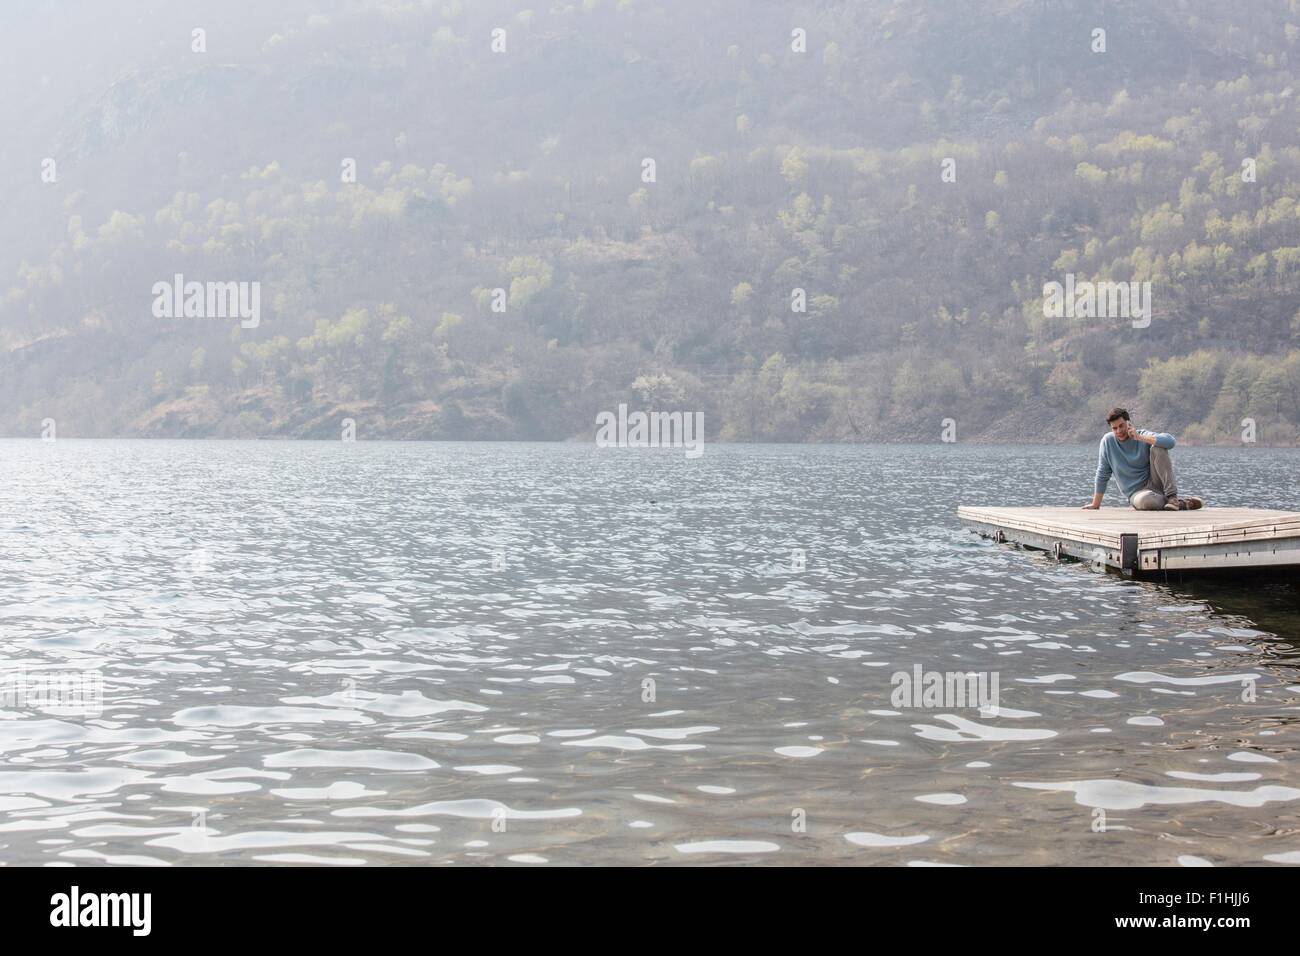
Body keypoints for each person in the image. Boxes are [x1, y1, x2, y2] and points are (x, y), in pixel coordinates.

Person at [1082, 407, 1203, 511]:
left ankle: (1172, 498)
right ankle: (1182, 503)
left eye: (1121, 426)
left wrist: (1140, 438)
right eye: (1114, 428)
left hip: (1156, 484)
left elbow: (1170, 442)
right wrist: (1095, 504)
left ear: (1128, 423)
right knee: (1147, 501)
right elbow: (1103, 473)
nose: (1119, 431)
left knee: (1159, 447)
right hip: (1137, 494)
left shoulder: (1142, 434)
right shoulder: (1107, 442)